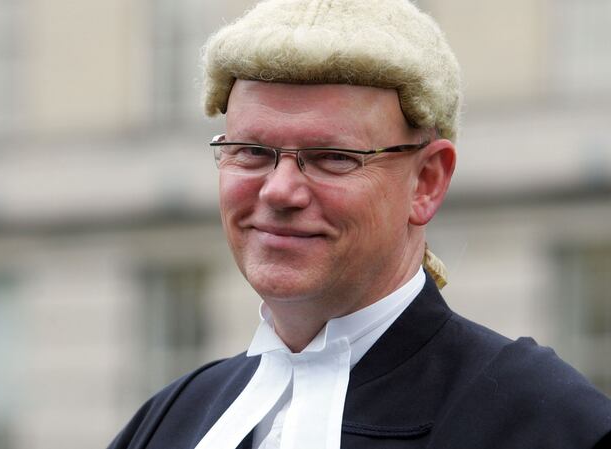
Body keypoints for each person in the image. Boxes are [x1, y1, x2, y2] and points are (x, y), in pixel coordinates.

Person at [108, 0, 611, 448]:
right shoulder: (171, 420)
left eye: (332, 157)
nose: (279, 190)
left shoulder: (541, 420)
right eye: (252, 152)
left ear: (426, 182)